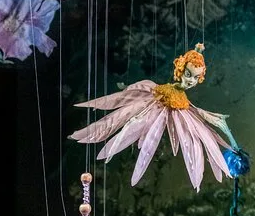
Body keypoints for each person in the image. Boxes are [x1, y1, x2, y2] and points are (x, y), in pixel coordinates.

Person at [69, 43, 239, 192]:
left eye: (196, 78)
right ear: (180, 70)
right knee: (124, 119)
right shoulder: (156, 90)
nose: (191, 81)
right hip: (155, 103)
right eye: (188, 75)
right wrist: (128, 89)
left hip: (181, 110)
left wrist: (230, 139)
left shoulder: (187, 106)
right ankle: (88, 136)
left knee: (191, 141)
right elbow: (130, 106)